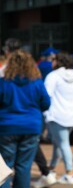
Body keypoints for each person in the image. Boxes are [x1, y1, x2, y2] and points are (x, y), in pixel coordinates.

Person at [0, 49, 51, 187]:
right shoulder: (36, 83)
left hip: (7, 126)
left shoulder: (4, 82)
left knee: (5, 167)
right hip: (31, 126)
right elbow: (46, 103)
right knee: (24, 166)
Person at [44, 52, 73, 185]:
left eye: (53, 60)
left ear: (58, 62)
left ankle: (70, 174)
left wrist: (45, 114)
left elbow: (46, 96)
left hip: (57, 116)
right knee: (59, 144)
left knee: (63, 144)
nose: (51, 62)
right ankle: (51, 170)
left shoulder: (52, 76)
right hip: (72, 116)